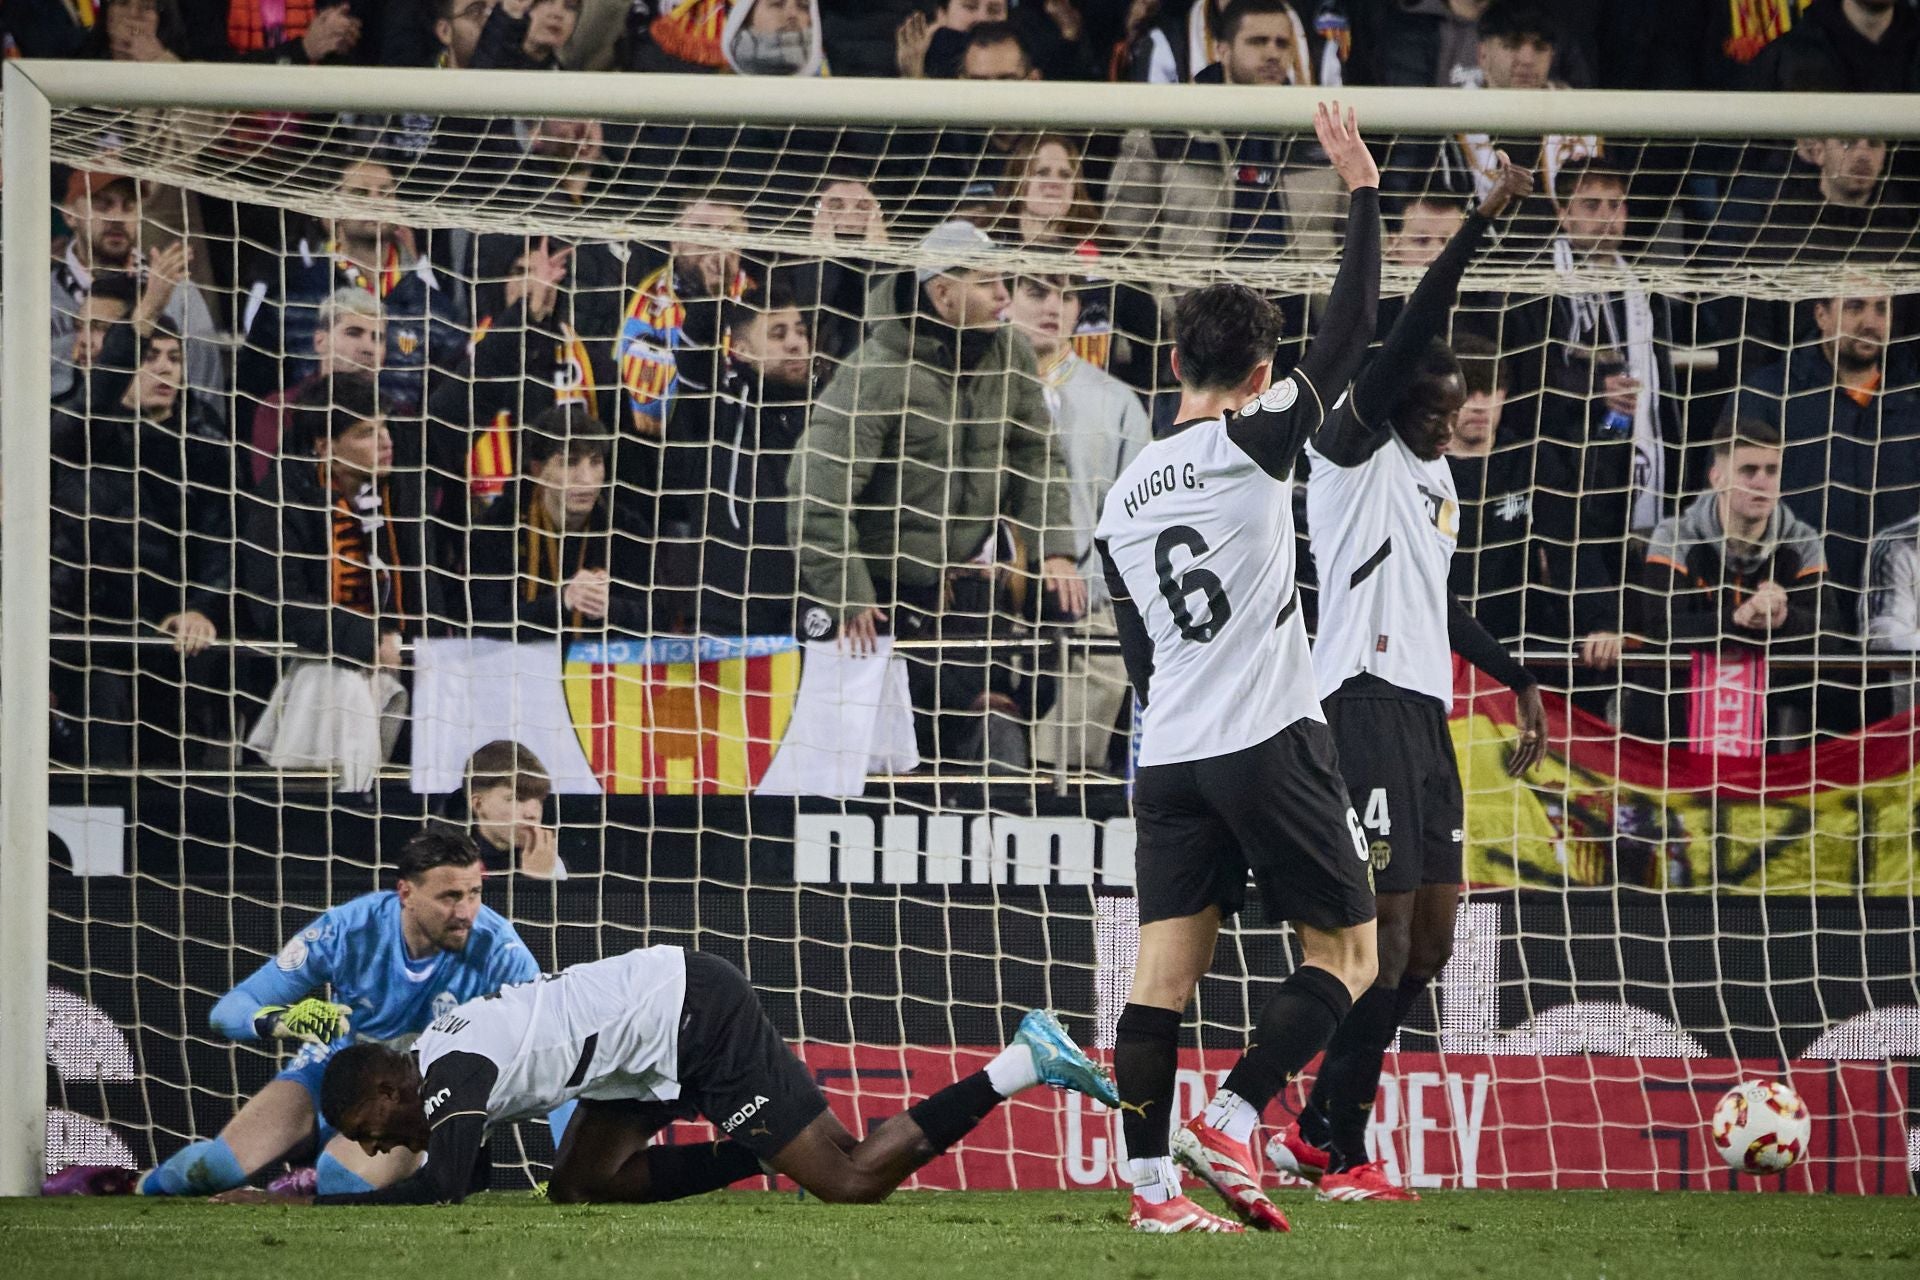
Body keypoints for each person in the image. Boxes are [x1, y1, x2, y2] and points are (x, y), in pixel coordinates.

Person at [1090, 103, 1378, 1235]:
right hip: (1266, 735)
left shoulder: (1121, 494)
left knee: (1159, 979)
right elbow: (1351, 335)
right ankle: (1234, 1110)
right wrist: (1359, 192)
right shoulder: (1256, 439)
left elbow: (1137, 651)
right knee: (1351, 950)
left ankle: (1154, 1191)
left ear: (1172, 362)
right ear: (1260, 376)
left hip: (1167, 754)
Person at [1274, 157, 1548, 1202]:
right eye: (1435, 412)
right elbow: (1407, 323)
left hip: (1426, 712)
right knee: (1378, 937)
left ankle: (1323, 1124)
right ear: (1398, 400)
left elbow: (1433, 598)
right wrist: (1478, 222)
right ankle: (1332, 1139)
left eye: (1457, 414)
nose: (1449, 428)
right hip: (1359, 705)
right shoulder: (1347, 447)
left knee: (1430, 939)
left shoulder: (1435, 476)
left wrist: (1516, 674)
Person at [220, 947, 1116, 1207]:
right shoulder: (439, 1067)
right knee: (576, 1187)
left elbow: (450, 1180)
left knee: (848, 1178)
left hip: (691, 1020)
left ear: (387, 1094)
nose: (385, 1148)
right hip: (635, 1055)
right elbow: (472, 1174)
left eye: (379, 1135)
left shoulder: (449, 1068)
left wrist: (298, 1199)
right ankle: (761, 1155)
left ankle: (1019, 1061)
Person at [43, 832, 546, 1200]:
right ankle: (124, 1183)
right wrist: (286, 1021)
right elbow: (228, 1011)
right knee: (212, 1169)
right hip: (333, 1070)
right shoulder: (348, 929)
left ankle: (305, 1184)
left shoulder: (501, 951)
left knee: (343, 1181)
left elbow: (549, 1048)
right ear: (406, 894)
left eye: (474, 894)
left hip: (417, 1097)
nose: (466, 911)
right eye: (450, 897)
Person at [787, 219, 1082, 773]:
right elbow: (815, 488)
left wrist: (1056, 548)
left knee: (973, 755)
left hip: (966, 600)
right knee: (877, 771)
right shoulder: (875, 372)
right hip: (878, 605)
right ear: (943, 293)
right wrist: (848, 592)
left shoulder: (1011, 355)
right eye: (987, 282)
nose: (1003, 294)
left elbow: (1036, 458)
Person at [1007, 273, 1152, 774]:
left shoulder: (1116, 401)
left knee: (1107, 658)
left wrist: (1099, 584)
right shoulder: (971, 386)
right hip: (986, 585)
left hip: (1083, 592)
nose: (1053, 307)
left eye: (1066, 296)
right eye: (1037, 292)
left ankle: (1054, 781)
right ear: (1006, 298)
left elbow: (1137, 515)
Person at [1622, 418, 1829, 751]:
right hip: (1674, 720)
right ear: (1717, 478)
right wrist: (1737, 619)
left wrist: (1783, 619)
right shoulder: (1675, 537)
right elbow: (1660, 628)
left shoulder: (1802, 542)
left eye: (1772, 470)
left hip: (1765, 722)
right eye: (1748, 470)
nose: (1762, 482)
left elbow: (1831, 635)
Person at [659, 286, 813, 638]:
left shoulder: (827, 415)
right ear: (740, 350)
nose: (795, 343)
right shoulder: (717, 410)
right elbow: (693, 355)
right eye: (778, 333)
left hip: (810, 613)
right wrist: (713, 294)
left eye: (801, 332)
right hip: (728, 619)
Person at [461, 403, 652, 644]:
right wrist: (563, 602)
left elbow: (660, 618)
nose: (586, 480)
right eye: (569, 463)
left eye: (595, 462)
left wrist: (610, 607)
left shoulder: (627, 530)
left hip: (600, 674)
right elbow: (480, 624)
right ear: (538, 469)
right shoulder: (496, 528)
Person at [52, 169, 225, 426]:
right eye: (103, 205)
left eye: (129, 206)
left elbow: (207, 395)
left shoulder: (180, 295)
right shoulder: (34, 298)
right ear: (69, 213)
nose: (117, 218)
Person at [239, 286, 385, 489]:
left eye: (377, 338)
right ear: (320, 341)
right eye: (353, 333)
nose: (368, 348)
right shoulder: (281, 410)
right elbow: (271, 488)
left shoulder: (396, 415)